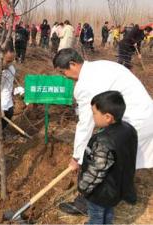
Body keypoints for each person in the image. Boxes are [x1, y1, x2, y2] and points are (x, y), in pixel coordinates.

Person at [53, 48, 153, 215]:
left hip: (134, 119)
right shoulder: (100, 65)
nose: (65, 77)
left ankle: (85, 203)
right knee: (124, 161)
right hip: (145, 114)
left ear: (73, 64)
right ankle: (127, 193)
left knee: (101, 161)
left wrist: (77, 157)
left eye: (64, 72)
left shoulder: (85, 85)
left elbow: (86, 124)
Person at [78, 91, 137, 224]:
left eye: (94, 113)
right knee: (108, 212)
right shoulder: (129, 129)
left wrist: (83, 186)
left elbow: (96, 171)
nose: (92, 116)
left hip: (100, 193)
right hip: (116, 187)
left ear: (108, 117)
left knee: (96, 217)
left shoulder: (104, 141)